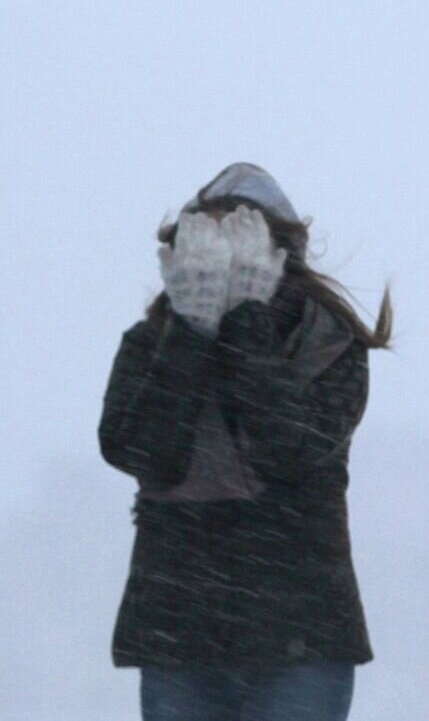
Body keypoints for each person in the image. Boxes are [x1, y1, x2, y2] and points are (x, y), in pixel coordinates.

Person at [98, 162, 392, 721]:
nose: (222, 260)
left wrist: (245, 318)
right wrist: (192, 328)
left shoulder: (330, 344)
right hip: (179, 631)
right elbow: (141, 453)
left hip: (299, 634)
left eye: (241, 239)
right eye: (208, 242)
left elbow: (289, 450)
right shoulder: (151, 344)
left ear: (279, 256)